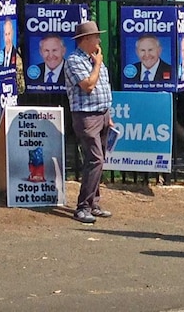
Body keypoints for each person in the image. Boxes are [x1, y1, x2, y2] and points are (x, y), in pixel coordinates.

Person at [64, 21, 114, 224]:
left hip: (101, 114)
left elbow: (104, 87)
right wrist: (98, 64)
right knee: (95, 159)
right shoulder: (74, 61)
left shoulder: (95, 59)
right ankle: (82, 206)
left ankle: (93, 203)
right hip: (85, 116)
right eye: (95, 37)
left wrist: (108, 115)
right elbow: (88, 86)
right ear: (85, 40)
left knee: (98, 159)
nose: (99, 40)